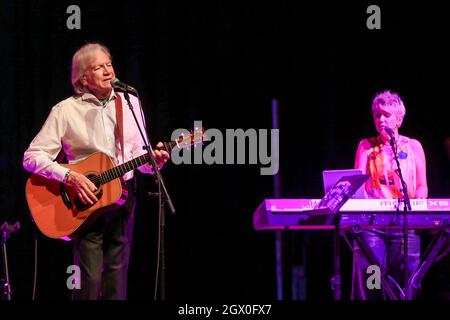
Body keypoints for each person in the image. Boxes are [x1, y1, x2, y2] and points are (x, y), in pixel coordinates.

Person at [23, 43, 170, 300]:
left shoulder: (129, 102)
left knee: (117, 277)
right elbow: (31, 157)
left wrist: (153, 161)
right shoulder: (65, 110)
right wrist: (71, 176)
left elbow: (138, 158)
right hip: (83, 203)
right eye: (98, 67)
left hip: (124, 198)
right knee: (88, 283)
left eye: (109, 64)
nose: (107, 70)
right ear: (83, 78)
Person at [351, 89, 428, 300]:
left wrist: (419, 203)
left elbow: (422, 186)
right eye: (377, 115)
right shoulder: (366, 146)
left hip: (406, 224)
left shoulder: (414, 146)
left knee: (408, 283)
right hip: (372, 227)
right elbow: (357, 187)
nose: (381, 119)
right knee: (372, 282)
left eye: (386, 114)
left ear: (399, 119)